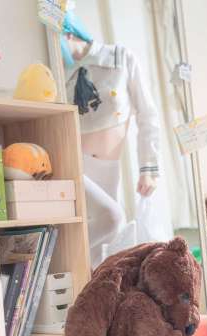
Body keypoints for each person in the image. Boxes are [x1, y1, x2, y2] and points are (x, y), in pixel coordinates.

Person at [61, 12, 162, 266]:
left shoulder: (120, 58)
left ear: (68, 33)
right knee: (110, 220)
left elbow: (148, 114)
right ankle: (61, 259)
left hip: (110, 171)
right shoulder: (59, 72)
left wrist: (148, 168)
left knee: (103, 252)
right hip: (76, 168)